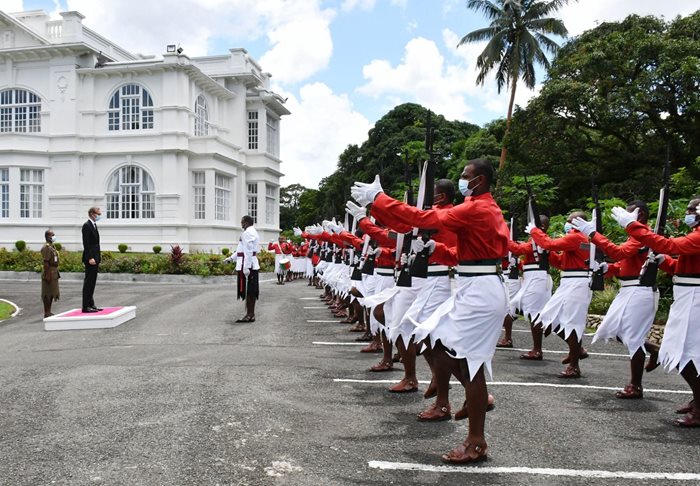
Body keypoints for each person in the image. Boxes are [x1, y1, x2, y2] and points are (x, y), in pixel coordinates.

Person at [352, 159, 509, 464]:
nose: (462, 180)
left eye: (466, 176)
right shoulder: (477, 207)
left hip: (479, 290)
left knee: (471, 363)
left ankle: (476, 441)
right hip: (471, 285)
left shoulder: (478, 208)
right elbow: (455, 248)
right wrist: (437, 249)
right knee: (434, 338)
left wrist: (379, 200)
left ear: (480, 180)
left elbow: (422, 218)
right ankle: (475, 398)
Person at [610, 199, 700, 427]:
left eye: (692, 209)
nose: (688, 213)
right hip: (687, 295)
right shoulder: (695, 235)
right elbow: (682, 266)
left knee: (684, 353)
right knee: (683, 352)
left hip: (694, 297)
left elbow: (667, 245)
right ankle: (697, 400)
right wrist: (665, 262)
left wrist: (632, 226)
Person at [571, 201, 658, 399]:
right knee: (613, 331)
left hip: (639, 289)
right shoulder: (635, 236)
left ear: (641, 215)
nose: (624, 217)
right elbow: (623, 263)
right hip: (628, 290)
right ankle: (653, 349)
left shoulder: (643, 234)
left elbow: (618, 252)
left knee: (633, 338)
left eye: (629, 213)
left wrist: (593, 234)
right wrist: (607, 268)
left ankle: (636, 385)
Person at [526, 212, 592, 378]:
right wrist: (547, 254)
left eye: (569, 221)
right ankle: (577, 350)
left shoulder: (576, 237)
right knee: (548, 318)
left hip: (576, 282)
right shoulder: (578, 238)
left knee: (572, 324)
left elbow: (550, 243)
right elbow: (561, 262)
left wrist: (535, 232)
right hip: (569, 281)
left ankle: (574, 365)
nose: (566, 224)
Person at [508, 215, 553, 360]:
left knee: (534, 313)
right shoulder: (536, 240)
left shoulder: (539, 240)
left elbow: (518, 249)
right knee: (517, 306)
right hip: (533, 277)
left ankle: (537, 349)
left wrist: (505, 239)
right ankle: (549, 323)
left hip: (537, 277)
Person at [226, 215, 260, 323]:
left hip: (248, 265)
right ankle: (250, 314)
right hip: (248, 263)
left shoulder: (247, 233)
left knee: (250, 291)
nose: (241, 225)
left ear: (246, 222)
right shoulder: (250, 232)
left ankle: (250, 314)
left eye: (242, 223)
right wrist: (231, 258)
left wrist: (246, 267)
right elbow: (241, 250)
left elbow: (248, 251)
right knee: (250, 290)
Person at [81, 207, 102, 313]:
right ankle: (85, 306)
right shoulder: (86, 226)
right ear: (92, 214)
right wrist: (90, 257)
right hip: (91, 258)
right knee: (88, 282)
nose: (99, 216)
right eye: (98, 214)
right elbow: (86, 244)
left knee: (92, 283)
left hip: (95, 257)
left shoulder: (94, 225)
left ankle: (91, 304)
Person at [41, 228, 60, 318]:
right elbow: (46, 262)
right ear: (47, 237)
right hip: (49, 271)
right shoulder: (47, 247)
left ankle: (49, 311)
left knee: (52, 292)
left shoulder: (52, 247)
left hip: (54, 271)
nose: (53, 236)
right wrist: (48, 274)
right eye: (52, 235)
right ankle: (46, 312)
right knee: (47, 292)